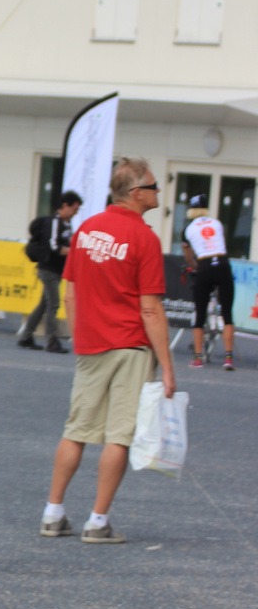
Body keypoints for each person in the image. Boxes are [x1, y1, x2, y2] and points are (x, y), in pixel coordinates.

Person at [39, 157, 176, 544]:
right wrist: (167, 367)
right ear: (136, 193)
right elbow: (150, 308)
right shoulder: (145, 238)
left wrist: (82, 334)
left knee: (76, 429)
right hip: (131, 345)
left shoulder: (86, 229)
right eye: (151, 186)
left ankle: (53, 512)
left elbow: (71, 289)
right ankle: (97, 521)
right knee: (119, 435)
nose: (156, 192)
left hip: (91, 344)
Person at [17, 190, 82, 353]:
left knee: (43, 304)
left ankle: (26, 336)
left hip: (56, 269)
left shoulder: (66, 224)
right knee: (53, 303)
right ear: (65, 205)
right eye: (74, 209)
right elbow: (54, 247)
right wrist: (74, 250)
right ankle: (51, 340)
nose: (75, 213)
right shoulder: (55, 222)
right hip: (48, 268)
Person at [181, 194, 235, 370]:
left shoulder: (187, 229)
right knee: (227, 313)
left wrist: (196, 268)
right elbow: (219, 243)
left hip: (204, 266)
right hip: (222, 264)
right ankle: (228, 357)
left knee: (200, 314)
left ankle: (197, 358)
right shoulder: (217, 223)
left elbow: (189, 258)